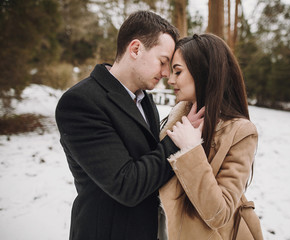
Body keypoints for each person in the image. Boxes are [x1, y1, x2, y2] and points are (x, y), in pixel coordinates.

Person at [55, 11, 203, 240]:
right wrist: (176, 141)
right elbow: (126, 185)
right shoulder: (81, 102)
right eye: (163, 62)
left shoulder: (145, 99)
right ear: (135, 49)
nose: (166, 74)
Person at [159, 33, 263, 239]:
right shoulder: (180, 115)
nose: (170, 79)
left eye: (177, 71)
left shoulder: (241, 132)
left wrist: (191, 150)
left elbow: (220, 214)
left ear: (203, 72)